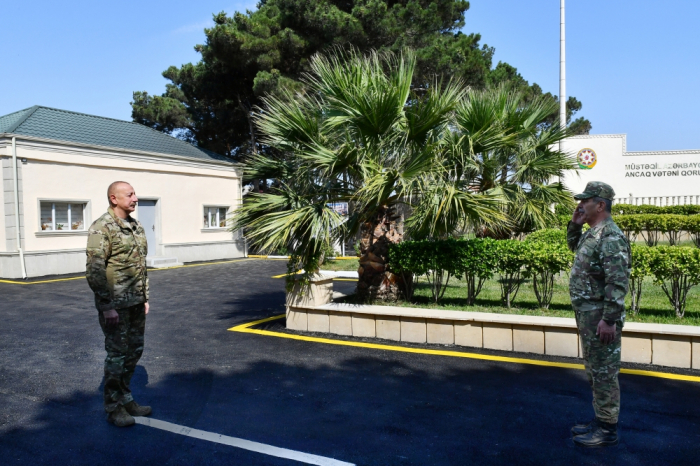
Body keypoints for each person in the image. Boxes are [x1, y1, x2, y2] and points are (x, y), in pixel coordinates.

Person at [566, 181, 631, 447]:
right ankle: (601, 418)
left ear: (600, 205)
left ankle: (607, 429)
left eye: (586, 201)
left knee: (604, 372)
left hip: (600, 317)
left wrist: (609, 319)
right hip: (588, 315)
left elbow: (618, 282)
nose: (581, 204)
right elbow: (573, 247)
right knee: (594, 370)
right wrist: (575, 224)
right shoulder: (593, 232)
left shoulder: (610, 237)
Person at [86, 181, 152, 427]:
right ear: (114, 198)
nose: (135, 198)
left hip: (135, 302)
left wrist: (145, 297)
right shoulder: (102, 227)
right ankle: (113, 408)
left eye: (135, 193)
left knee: (134, 352)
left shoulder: (135, 226)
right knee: (116, 356)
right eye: (130, 194)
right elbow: (95, 269)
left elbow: (141, 266)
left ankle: (126, 398)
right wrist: (106, 306)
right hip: (115, 306)